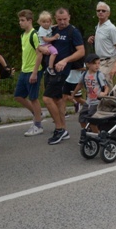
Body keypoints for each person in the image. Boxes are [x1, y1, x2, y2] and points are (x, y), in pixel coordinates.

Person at [42, 8, 85, 145]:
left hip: (62, 70)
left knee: (47, 98)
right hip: (50, 68)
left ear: (69, 17)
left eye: (65, 19)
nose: (62, 22)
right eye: (59, 19)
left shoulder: (73, 31)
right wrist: (42, 49)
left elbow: (81, 51)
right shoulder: (53, 30)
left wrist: (65, 60)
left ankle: (59, 129)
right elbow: (42, 43)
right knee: (58, 99)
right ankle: (63, 129)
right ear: (55, 18)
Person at [15, 10, 45, 136]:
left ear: (30, 21)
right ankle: (38, 113)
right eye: (20, 20)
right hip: (24, 69)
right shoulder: (23, 35)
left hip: (33, 70)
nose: (20, 23)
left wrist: (34, 73)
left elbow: (40, 54)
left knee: (33, 98)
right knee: (18, 96)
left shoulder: (34, 34)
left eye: (23, 20)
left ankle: (38, 125)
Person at [86, 2, 116, 88]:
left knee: (104, 83)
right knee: (96, 84)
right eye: (98, 10)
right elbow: (104, 40)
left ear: (108, 13)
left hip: (108, 61)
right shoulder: (98, 26)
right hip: (98, 61)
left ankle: (110, 100)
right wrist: (92, 39)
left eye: (103, 10)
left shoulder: (111, 28)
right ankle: (100, 101)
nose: (100, 12)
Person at [75, 54, 109, 132]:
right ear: (87, 64)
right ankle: (87, 133)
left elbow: (106, 87)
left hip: (97, 102)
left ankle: (97, 137)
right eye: (94, 63)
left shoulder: (99, 75)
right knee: (82, 119)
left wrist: (105, 93)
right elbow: (79, 84)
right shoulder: (84, 74)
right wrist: (73, 94)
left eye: (98, 63)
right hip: (88, 102)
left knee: (92, 121)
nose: (97, 66)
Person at [36, 11, 59, 76]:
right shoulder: (41, 30)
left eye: (47, 22)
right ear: (40, 22)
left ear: (50, 22)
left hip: (47, 44)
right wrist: (54, 38)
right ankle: (50, 67)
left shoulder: (49, 27)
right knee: (54, 52)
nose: (46, 24)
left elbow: (52, 26)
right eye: (43, 22)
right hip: (44, 45)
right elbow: (45, 39)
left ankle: (45, 69)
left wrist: (58, 24)